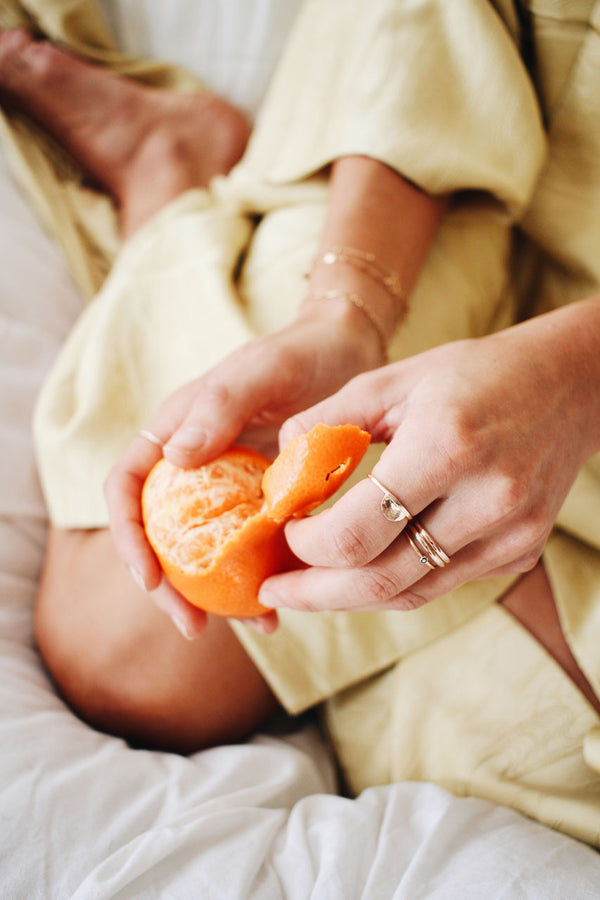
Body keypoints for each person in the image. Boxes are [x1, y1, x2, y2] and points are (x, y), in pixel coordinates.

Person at [2, 0, 599, 847]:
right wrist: (345, 315)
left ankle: (171, 195)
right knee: (125, 651)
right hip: (467, 167)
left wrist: (576, 382)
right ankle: (170, 177)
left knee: (140, 665)